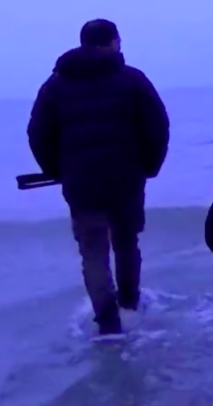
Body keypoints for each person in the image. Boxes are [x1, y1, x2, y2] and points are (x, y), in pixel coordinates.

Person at [27, 19, 170, 335]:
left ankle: (107, 323)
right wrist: (150, 165)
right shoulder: (131, 79)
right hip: (126, 179)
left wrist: (56, 170)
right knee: (126, 242)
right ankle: (130, 305)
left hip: (81, 184)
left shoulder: (55, 85)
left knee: (92, 251)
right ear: (114, 41)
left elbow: (38, 134)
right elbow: (157, 125)